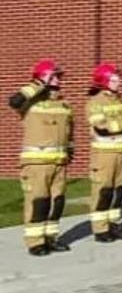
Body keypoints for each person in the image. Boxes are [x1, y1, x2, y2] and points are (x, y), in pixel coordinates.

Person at [10, 60, 74, 255]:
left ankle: (51, 238)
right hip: (36, 163)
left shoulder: (63, 104)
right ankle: (36, 242)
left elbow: (70, 133)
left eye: (58, 76)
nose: (58, 80)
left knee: (56, 202)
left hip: (59, 163)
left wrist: (69, 152)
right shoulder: (30, 103)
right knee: (39, 202)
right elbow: (14, 101)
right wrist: (39, 83)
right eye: (53, 76)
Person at [86, 63, 122, 243]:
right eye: (114, 80)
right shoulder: (95, 102)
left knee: (118, 191)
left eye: (118, 79)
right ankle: (100, 229)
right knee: (104, 191)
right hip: (104, 154)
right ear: (103, 81)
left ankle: (114, 224)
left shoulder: (119, 101)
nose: (118, 82)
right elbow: (102, 128)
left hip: (121, 152)